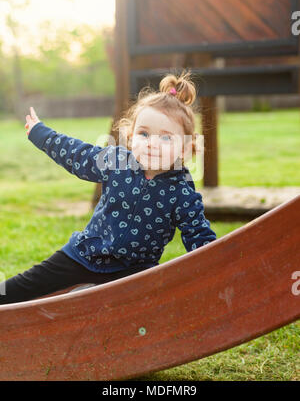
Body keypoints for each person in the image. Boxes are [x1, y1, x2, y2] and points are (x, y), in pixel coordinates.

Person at [0, 72, 217, 305]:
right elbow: (77, 155)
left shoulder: (182, 190)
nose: (152, 143)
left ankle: (83, 299)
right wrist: (41, 134)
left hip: (134, 271)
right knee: (24, 285)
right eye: (144, 134)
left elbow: (198, 235)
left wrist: (218, 267)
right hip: (84, 254)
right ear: (131, 138)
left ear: (185, 149)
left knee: (127, 308)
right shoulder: (116, 161)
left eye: (166, 138)